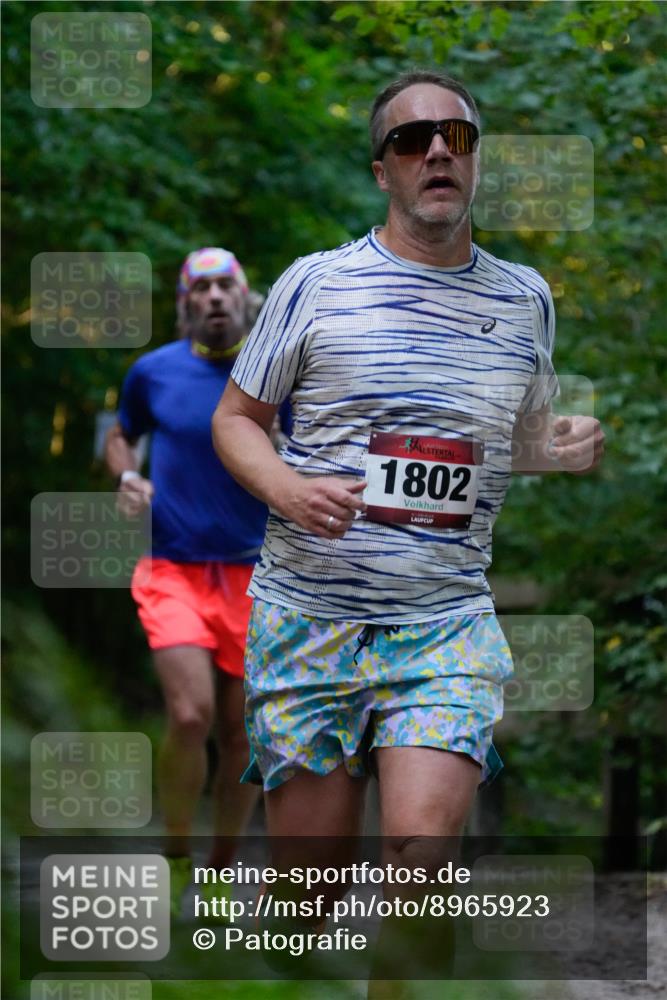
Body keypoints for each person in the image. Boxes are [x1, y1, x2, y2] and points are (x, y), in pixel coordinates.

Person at [212, 71, 604, 990]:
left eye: (455, 138)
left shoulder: (524, 298)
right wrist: (288, 489)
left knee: (421, 855)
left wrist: (561, 446)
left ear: (475, 161)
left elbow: (511, 444)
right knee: (308, 891)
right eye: (410, 139)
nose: (435, 152)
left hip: (443, 623)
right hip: (309, 616)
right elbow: (235, 422)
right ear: (381, 170)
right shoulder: (315, 284)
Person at [106, 247, 279, 917]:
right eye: (199, 288)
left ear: (243, 297)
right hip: (172, 567)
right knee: (189, 714)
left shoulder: (274, 376)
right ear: (185, 304)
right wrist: (127, 475)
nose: (212, 297)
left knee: (241, 736)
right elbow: (121, 434)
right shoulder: (153, 372)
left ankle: (219, 871)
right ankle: (177, 852)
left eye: (223, 286)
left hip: (257, 576)